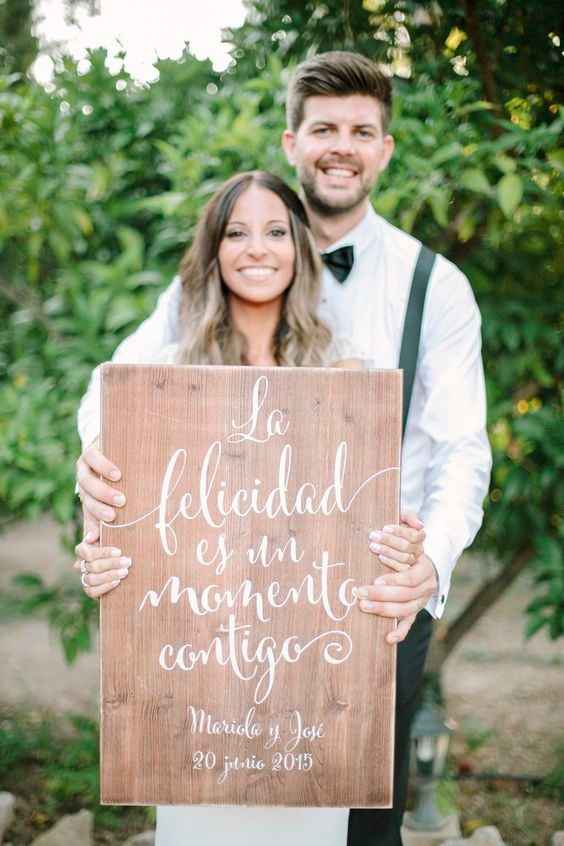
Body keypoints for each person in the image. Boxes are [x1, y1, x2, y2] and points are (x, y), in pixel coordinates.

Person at [75, 52, 491, 843]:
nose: (342, 145)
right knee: (218, 798)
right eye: (324, 128)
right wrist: (93, 455)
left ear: (385, 150)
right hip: (224, 597)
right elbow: (119, 384)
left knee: (363, 824)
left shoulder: (434, 285)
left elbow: (463, 449)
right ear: (293, 141)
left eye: (362, 130)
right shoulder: (232, 255)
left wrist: (429, 566)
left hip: (375, 603)